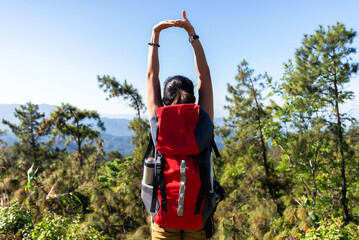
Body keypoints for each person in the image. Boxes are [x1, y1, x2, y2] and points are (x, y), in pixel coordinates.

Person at [146, 10, 214, 240]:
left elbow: (150, 76)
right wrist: (192, 34)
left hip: (164, 219)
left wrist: (155, 34)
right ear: (194, 99)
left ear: (163, 100)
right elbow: (205, 76)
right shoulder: (202, 120)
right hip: (196, 218)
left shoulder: (159, 121)